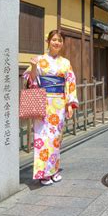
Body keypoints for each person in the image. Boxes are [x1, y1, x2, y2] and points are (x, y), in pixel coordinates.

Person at [23, 30, 78, 186]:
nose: (57, 43)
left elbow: (70, 83)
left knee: (55, 139)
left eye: (59, 40)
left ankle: (53, 170)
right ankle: (42, 173)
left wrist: (69, 103)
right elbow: (30, 81)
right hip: (44, 102)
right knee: (42, 137)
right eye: (54, 39)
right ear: (48, 41)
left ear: (62, 43)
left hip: (59, 103)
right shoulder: (40, 60)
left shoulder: (65, 62)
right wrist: (33, 67)